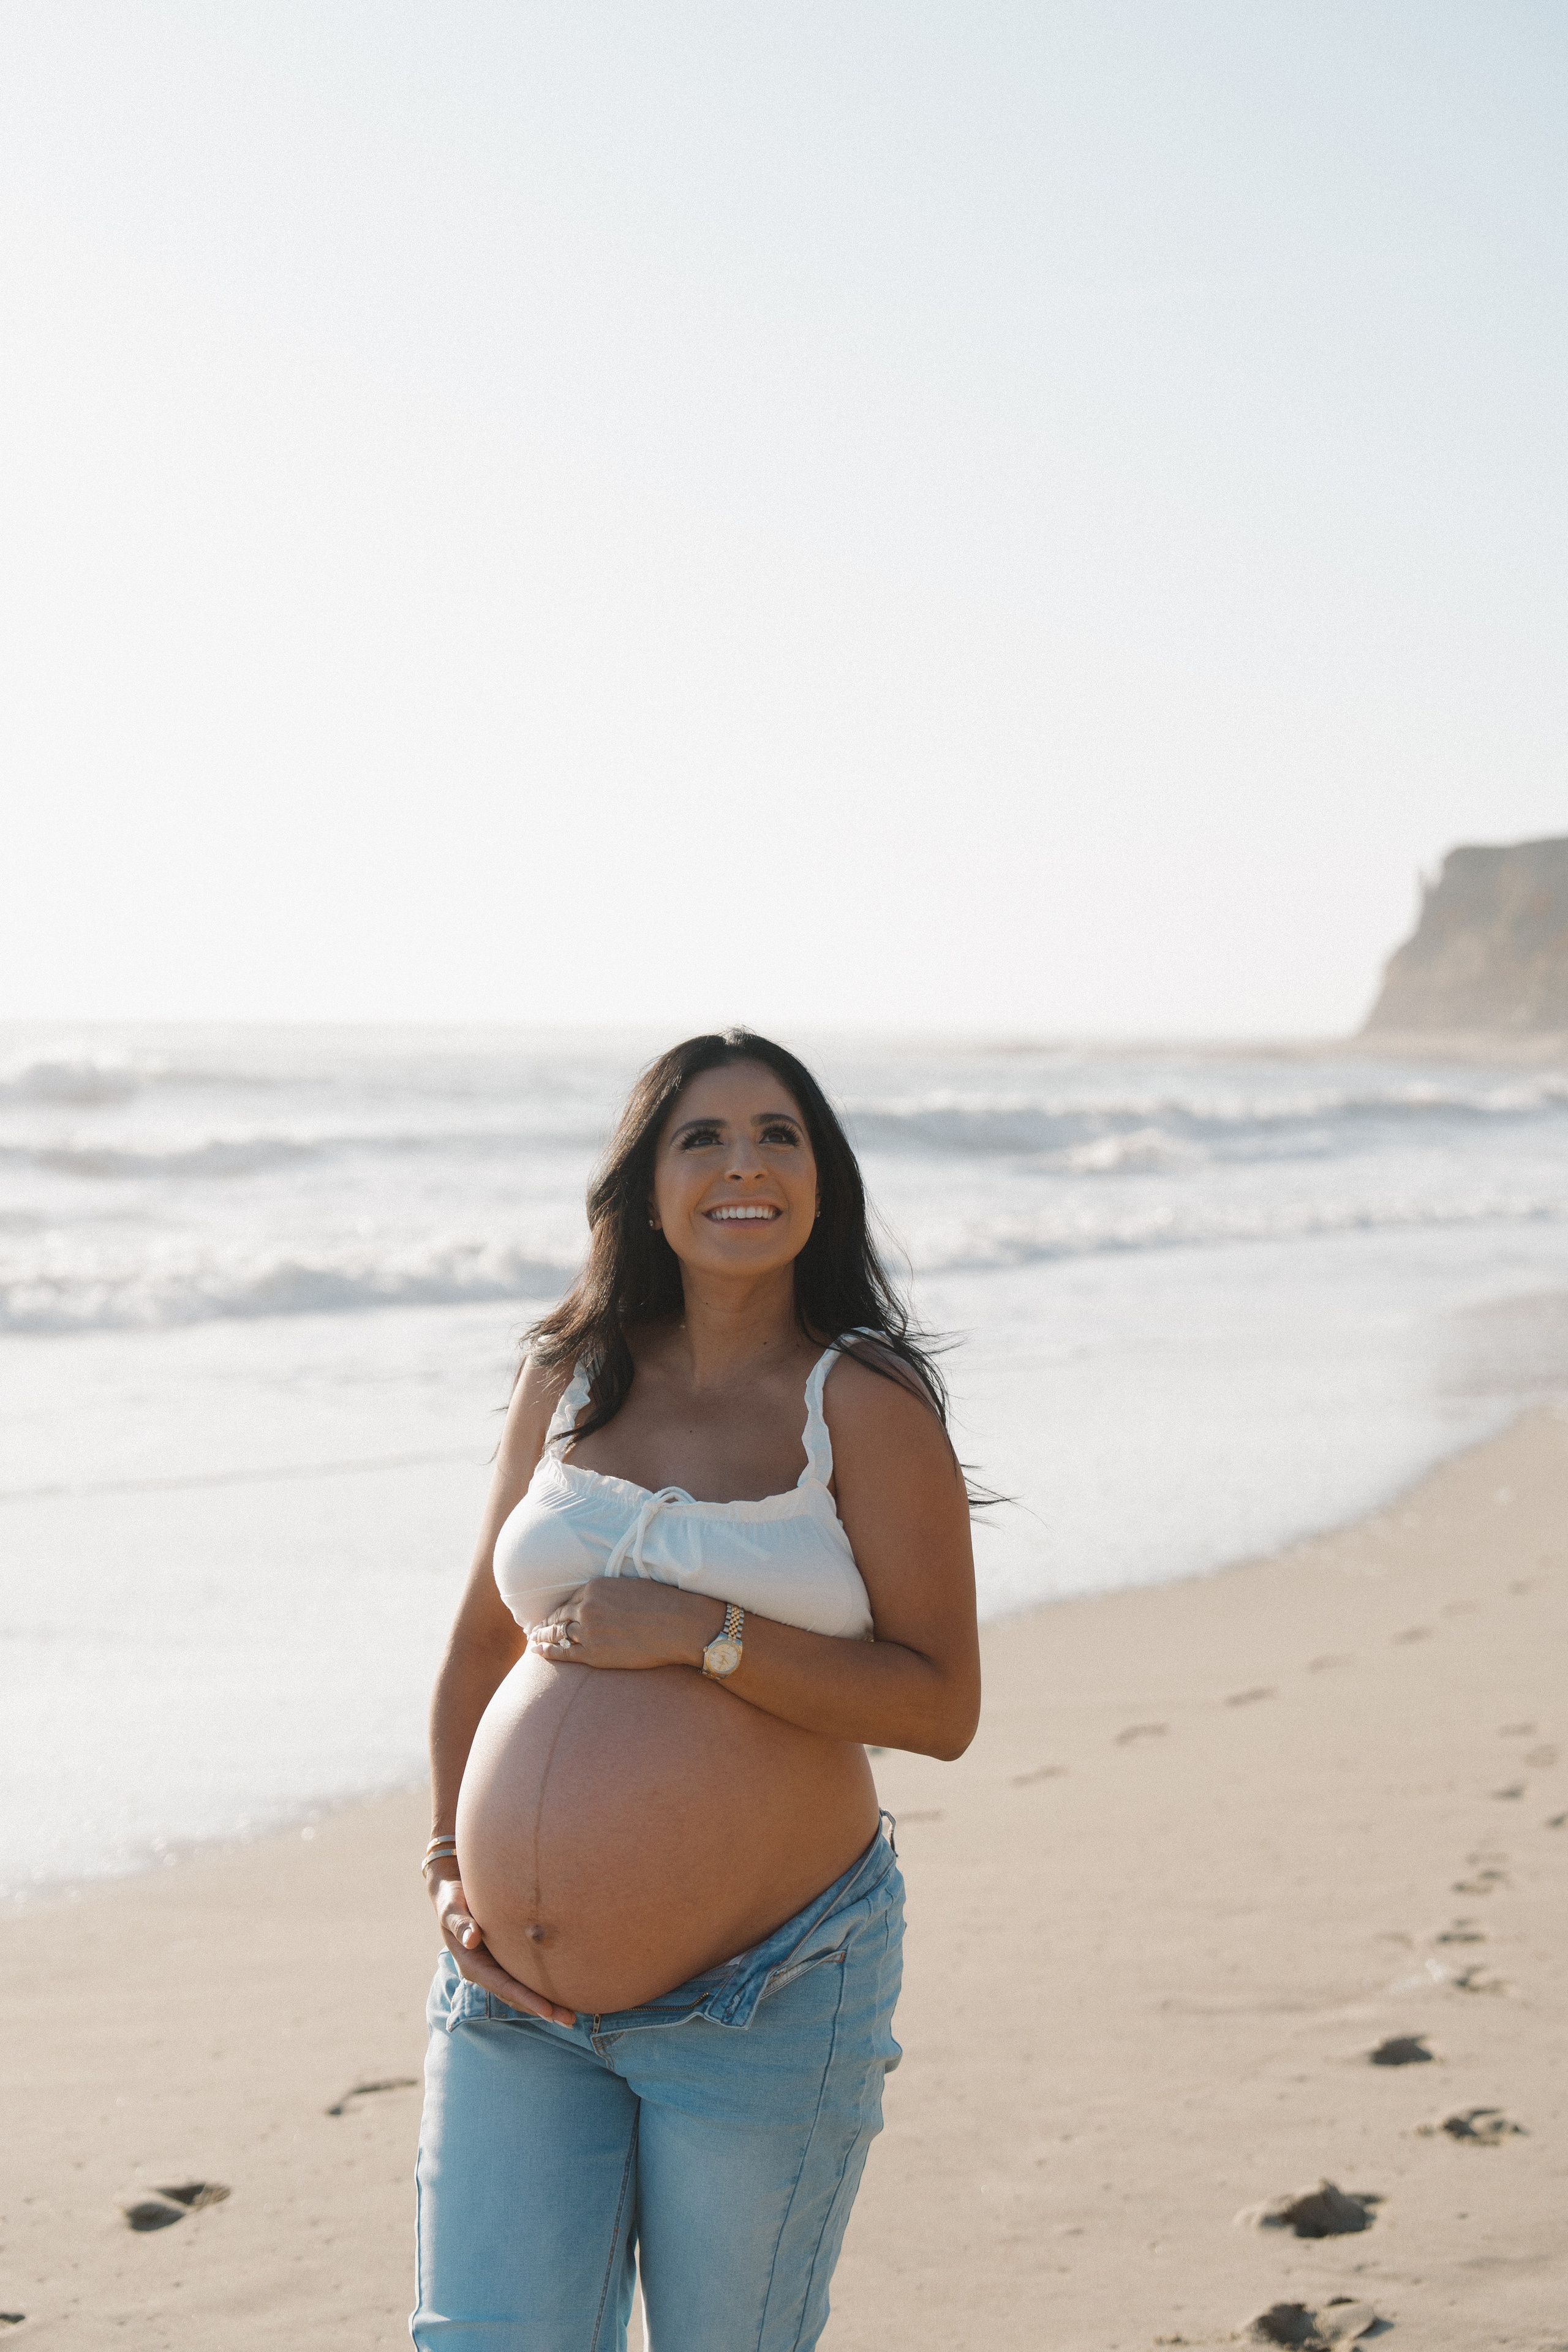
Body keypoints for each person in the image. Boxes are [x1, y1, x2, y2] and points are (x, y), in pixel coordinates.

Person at [413, 1028, 981, 2351]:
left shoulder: (864, 1400)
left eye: (779, 1136)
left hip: (765, 1993)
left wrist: (700, 1633)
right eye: (702, 1138)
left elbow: (938, 1706)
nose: (745, 1165)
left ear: (821, 1182)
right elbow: (478, 1646)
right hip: (511, 2002)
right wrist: (445, 1861)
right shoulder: (568, 1372)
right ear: (647, 1184)